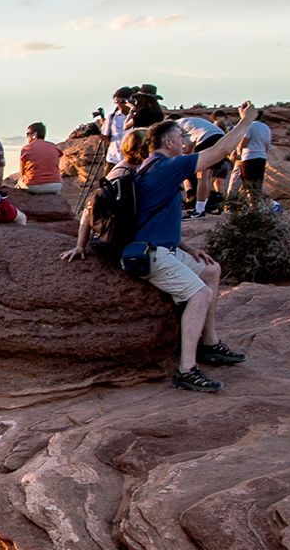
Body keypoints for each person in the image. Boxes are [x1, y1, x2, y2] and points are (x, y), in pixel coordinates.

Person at [62, 106, 259, 393]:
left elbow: (151, 216)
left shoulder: (148, 169)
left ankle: (210, 343)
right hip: (151, 255)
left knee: (211, 270)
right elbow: (219, 152)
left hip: (163, 248)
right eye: (180, 138)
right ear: (168, 143)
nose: (185, 142)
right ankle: (187, 370)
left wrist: (190, 249)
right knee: (200, 293)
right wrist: (247, 121)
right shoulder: (168, 167)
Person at [10, 122, 64, 194]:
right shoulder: (54, 147)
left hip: (34, 186)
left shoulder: (27, 148)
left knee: (20, 182)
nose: (26, 136)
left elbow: (22, 173)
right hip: (56, 185)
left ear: (34, 135)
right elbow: (56, 165)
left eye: (28, 133)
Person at [234, 113, 272, 207]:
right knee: (257, 185)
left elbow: (243, 144)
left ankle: (253, 207)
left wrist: (236, 145)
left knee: (248, 185)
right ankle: (261, 207)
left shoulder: (250, 126)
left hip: (249, 158)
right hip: (262, 158)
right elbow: (267, 146)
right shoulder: (266, 128)